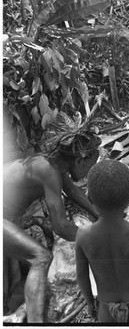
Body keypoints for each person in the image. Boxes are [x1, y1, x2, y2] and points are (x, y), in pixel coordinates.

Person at [3, 130, 101, 323]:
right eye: (90, 166)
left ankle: (18, 312)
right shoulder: (48, 170)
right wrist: (95, 236)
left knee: (15, 282)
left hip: (8, 218)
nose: (87, 174)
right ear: (79, 160)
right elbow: (61, 227)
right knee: (41, 257)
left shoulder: (52, 165)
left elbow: (73, 192)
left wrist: (103, 216)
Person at [75, 159, 129, 323]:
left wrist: (89, 302)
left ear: (89, 197)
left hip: (106, 309)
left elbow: (82, 276)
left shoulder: (83, 236)